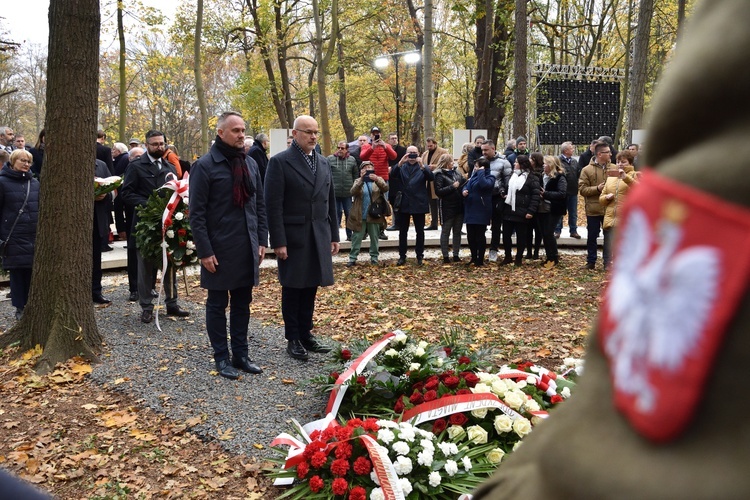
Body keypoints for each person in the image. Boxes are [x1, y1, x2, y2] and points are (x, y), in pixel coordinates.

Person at [189, 112, 268, 380]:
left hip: (247, 246)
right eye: (235, 130)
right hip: (219, 249)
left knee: (243, 303)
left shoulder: (250, 164)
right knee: (217, 303)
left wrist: (261, 241)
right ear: (220, 133)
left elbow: (259, 206)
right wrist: (205, 251)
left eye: (243, 130)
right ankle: (221, 357)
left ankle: (241, 355)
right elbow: (196, 214)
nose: (241, 134)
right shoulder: (205, 165)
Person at [265, 115, 338, 361]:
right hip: (294, 235)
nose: (313, 136)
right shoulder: (280, 162)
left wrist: (334, 235)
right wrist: (278, 242)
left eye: (316, 132)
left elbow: (331, 200)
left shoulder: (323, 162)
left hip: (319, 233)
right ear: (295, 134)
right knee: (294, 287)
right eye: (308, 132)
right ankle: (293, 337)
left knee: (311, 286)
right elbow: (273, 205)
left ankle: (306, 333)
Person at [121, 130, 191, 322]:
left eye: (161, 143)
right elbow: (126, 194)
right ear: (146, 145)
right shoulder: (136, 167)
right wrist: (151, 206)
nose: (158, 147)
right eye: (154, 144)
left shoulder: (169, 166)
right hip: (145, 224)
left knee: (170, 264)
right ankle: (146, 306)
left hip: (169, 223)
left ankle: (172, 303)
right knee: (145, 266)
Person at [0, 149, 40, 320]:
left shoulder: (35, 183)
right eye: (22, 160)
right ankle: (19, 308)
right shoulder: (2, 182)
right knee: (17, 273)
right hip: (13, 235)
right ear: (12, 161)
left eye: (28, 161)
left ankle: (32, 306)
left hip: (33, 234)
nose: (26, 164)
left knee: (33, 272)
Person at [391, 145, 434, 266]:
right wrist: (400, 162)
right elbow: (393, 175)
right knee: (402, 231)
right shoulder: (402, 166)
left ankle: (419, 255)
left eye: (414, 153)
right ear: (406, 154)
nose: (412, 155)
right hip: (404, 203)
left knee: (419, 231)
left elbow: (431, 178)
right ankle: (402, 256)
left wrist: (422, 165)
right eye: (410, 153)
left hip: (419, 202)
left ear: (418, 153)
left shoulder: (423, 167)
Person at [599, 149, 639, 271]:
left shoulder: (635, 175)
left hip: (626, 217)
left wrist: (625, 178)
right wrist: (605, 197)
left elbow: (640, 190)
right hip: (610, 215)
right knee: (609, 242)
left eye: (623, 162)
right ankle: (607, 264)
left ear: (630, 163)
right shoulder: (611, 177)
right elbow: (601, 198)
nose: (620, 164)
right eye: (618, 162)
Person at [579, 140, 614, 270]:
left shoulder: (615, 168)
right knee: (592, 237)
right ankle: (591, 261)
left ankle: (607, 263)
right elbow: (582, 190)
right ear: (599, 154)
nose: (610, 154)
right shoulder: (586, 170)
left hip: (609, 209)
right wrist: (597, 189)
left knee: (609, 237)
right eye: (607, 152)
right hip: (593, 209)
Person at [346, 161, 389, 266]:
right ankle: (352, 258)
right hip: (359, 214)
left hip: (374, 215)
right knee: (357, 237)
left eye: (369, 167)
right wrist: (361, 180)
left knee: (374, 237)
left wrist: (377, 179)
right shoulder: (357, 181)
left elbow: (385, 188)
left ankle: (374, 258)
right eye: (365, 168)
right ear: (361, 170)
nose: (367, 169)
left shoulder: (378, 180)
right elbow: (352, 192)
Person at [500, 155, 539, 266]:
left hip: (522, 212)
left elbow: (535, 196)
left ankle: (518, 258)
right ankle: (508, 256)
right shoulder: (513, 175)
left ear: (522, 164)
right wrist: (505, 193)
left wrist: (531, 211)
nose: (514, 164)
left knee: (521, 237)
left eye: (516, 162)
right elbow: (508, 188)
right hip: (509, 210)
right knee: (506, 235)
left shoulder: (532, 178)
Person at [434, 153, 466, 263]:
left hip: (459, 206)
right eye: (451, 161)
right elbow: (439, 192)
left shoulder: (456, 172)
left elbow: (462, 182)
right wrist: (452, 187)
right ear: (447, 163)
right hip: (447, 207)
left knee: (457, 232)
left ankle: (456, 255)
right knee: (446, 232)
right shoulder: (439, 175)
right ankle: (445, 256)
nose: (453, 163)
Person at [462, 157, 494, 267]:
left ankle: (480, 259)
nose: (474, 168)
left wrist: (481, 172)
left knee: (480, 236)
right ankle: (473, 257)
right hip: (470, 209)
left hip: (481, 209)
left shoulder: (490, 177)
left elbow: (484, 185)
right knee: (471, 236)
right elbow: (467, 185)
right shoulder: (472, 177)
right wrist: (464, 191)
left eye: (477, 166)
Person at [484, 140, 512, 263]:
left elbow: (508, 180)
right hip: (483, 197)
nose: (484, 152)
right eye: (482, 150)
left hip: (497, 197)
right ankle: (479, 250)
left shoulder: (503, 162)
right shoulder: (480, 161)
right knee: (481, 225)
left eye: (486, 150)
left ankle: (493, 249)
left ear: (493, 148)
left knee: (496, 225)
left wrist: (504, 194)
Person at [539, 155, 568, 267]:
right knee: (545, 234)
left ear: (551, 165)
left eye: (545, 163)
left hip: (555, 209)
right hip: (543, 208)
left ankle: (553, 258)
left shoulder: (560, 177)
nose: (543, 166)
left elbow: (562, 194)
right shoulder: (543, 176)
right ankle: (549, 257)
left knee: (548, 233)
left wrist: (545, 194)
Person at [328, 140, 359, 241]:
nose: (340, 150)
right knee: (336, 214)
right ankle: (334, 237)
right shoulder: (330, 159)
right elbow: (326, 174)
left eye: (342, 148)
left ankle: (350, 236)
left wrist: (355, 189)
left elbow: (355, 175)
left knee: (349, 214)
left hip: (348, 193)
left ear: (347, 150)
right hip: (334, 193)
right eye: (338, 148)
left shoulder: (352, 160)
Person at [124, 146, 144, 302]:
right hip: (133, 217)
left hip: (149, 217)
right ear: (129, 158)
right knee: (134, 254)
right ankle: (134, 288)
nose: (138, 158)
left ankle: (149, 287)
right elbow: (126, 194)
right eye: (135, 156)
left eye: (141, 156)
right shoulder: (132, 169)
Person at [93, 159, 113, 304]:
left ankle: (96, 291)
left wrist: (105, 195)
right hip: (77, 221)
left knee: (96, 260)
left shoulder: (101, 165)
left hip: (98, 220)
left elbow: (112, 191)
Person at [555, 141, 581, 239]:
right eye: (571, 148)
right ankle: (557, 230)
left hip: (573, 191)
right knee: (560, 212)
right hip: (561, 192)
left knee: (573, 213)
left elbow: (578, 174)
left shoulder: (574, 161)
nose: (573, 150)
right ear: (566, 150)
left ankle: (573, 230)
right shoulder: (558, 160)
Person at [421, 137, 449, 230]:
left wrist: (434, 166)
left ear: (435, 144)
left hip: (439, 180)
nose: (429, 147)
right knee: (432, 203)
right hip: (428, 181)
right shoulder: (425, 154)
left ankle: (444, 222)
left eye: (431, 145)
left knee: (441, 203)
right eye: (428, 146)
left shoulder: (443, 152)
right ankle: (434, 223)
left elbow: (447, 163)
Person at [526, 152, 545, 259]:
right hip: (529, 203)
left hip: (539, 205)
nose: (529, 161)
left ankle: (536, 252)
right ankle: (529, 251)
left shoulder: (541, 173)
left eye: (531, 159)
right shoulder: (528, 171)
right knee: (528, 230)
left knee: (538, 230)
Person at [385, 133, 406, 232]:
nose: (394, 140)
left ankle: (398, 223)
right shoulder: (385, 149)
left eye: (395, 138)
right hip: (386, 177)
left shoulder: (402, 150)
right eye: (392, 138)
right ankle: (395, 222)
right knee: (391, 200)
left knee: (397, 201)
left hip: (398, 178)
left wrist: (393, 168)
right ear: (388, 140)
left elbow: (404, 163)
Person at [111, 142, 130, 241]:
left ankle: (123, 232)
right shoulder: (122, 158)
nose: (112, 151)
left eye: (113, 149)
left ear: (119, 151)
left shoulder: (123, 159)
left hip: (121, 189)